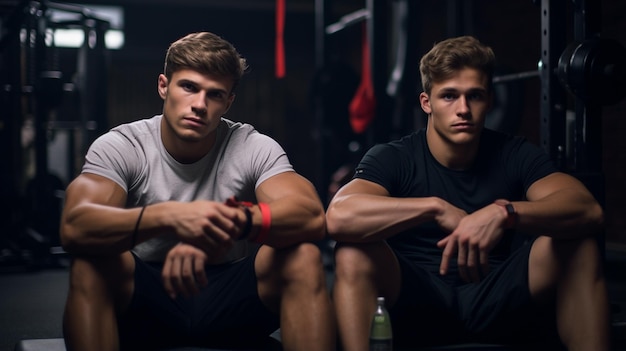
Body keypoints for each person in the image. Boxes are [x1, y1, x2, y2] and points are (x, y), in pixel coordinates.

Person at [326, 35, 610, 351]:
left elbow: (588, 210)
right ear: (426, 102)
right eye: (449, 96)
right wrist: (434, 207)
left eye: (474, 96)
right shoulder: (394, 157)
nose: (463, 109)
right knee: (352, 253)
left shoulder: (514, 153)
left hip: (496, 298)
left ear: (489, 100)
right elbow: (339, 217)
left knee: (578, 243)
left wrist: (505, 212)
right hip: (418, 302)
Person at [60, 31, 335, 351]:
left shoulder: (250, 145)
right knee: (91, 263)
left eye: (215, 94)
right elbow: (75, 226)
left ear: (229, 102)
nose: (200, 105)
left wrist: (224, 221)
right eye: (189, 87)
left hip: (230, 299)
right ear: (164, 85)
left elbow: (310, 216)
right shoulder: (124, 145)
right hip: (146, 299)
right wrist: (170, 215)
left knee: (303, 256)